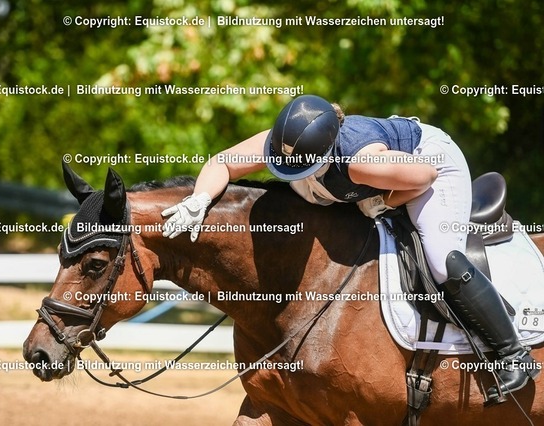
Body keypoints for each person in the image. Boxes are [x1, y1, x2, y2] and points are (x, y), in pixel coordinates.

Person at [161, 94, 540, 402]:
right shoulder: (290, 141)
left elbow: (424, 177)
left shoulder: (359, 163)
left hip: (428, 165)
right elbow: (224, 163)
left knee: (443, 261)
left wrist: (382, 202)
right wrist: (199, 200)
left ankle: (513, 354)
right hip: (387, 170)